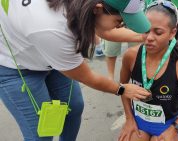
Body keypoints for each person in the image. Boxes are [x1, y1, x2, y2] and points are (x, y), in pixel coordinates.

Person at [0, 0, 151, 140]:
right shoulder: (52, 27)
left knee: (74, 107)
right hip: (16, 67)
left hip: (49, 55)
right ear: (97, 9)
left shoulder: (85, 7)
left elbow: (104, 30)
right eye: (119, 21)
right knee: (41, 133)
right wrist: (122, 89)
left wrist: (144, 37)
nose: (121, 26)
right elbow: (88, 77)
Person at [118, 1, 178, 141]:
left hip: (167, 124)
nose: (149, 38)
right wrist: (129, 119)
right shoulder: (130, 56)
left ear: (172, 32)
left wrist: (176, 127)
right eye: (145, 30)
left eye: (158, 32)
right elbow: (122, 88)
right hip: (138, 120)